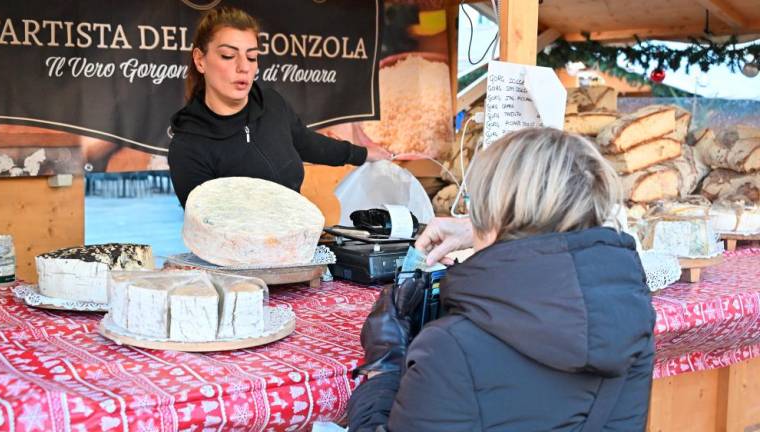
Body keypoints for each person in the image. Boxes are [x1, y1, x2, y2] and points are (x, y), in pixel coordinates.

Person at [347, 127, 656, 431]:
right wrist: (487, 229)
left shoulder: (450, 347)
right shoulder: (631, 319)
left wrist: (384, 368)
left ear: (492, 212)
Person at [168, 7, 390, 207]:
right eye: (228, 56)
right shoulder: (188, 146)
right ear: (200, 60)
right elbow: (207, 225)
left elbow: (305, 141)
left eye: (252, 57)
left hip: (294, 243)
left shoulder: (271, 102)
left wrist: (363, 154)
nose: (244, 67)